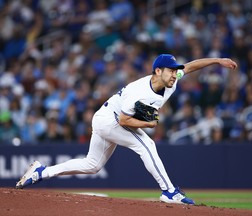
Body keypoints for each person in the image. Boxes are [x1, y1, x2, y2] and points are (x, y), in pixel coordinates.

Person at [16, 54, 237, 204]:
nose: (175, 74)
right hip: (110, 120)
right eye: (171, 70)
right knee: (147, 144)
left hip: (107, 119)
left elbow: (189, 66)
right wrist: (148, 124)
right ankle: (169, 191)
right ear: (157, 71)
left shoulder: (171, 80)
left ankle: (42, 172)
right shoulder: (137, 91)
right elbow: (124, 121)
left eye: (175, 71)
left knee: (92, 165)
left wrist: (217, 61)